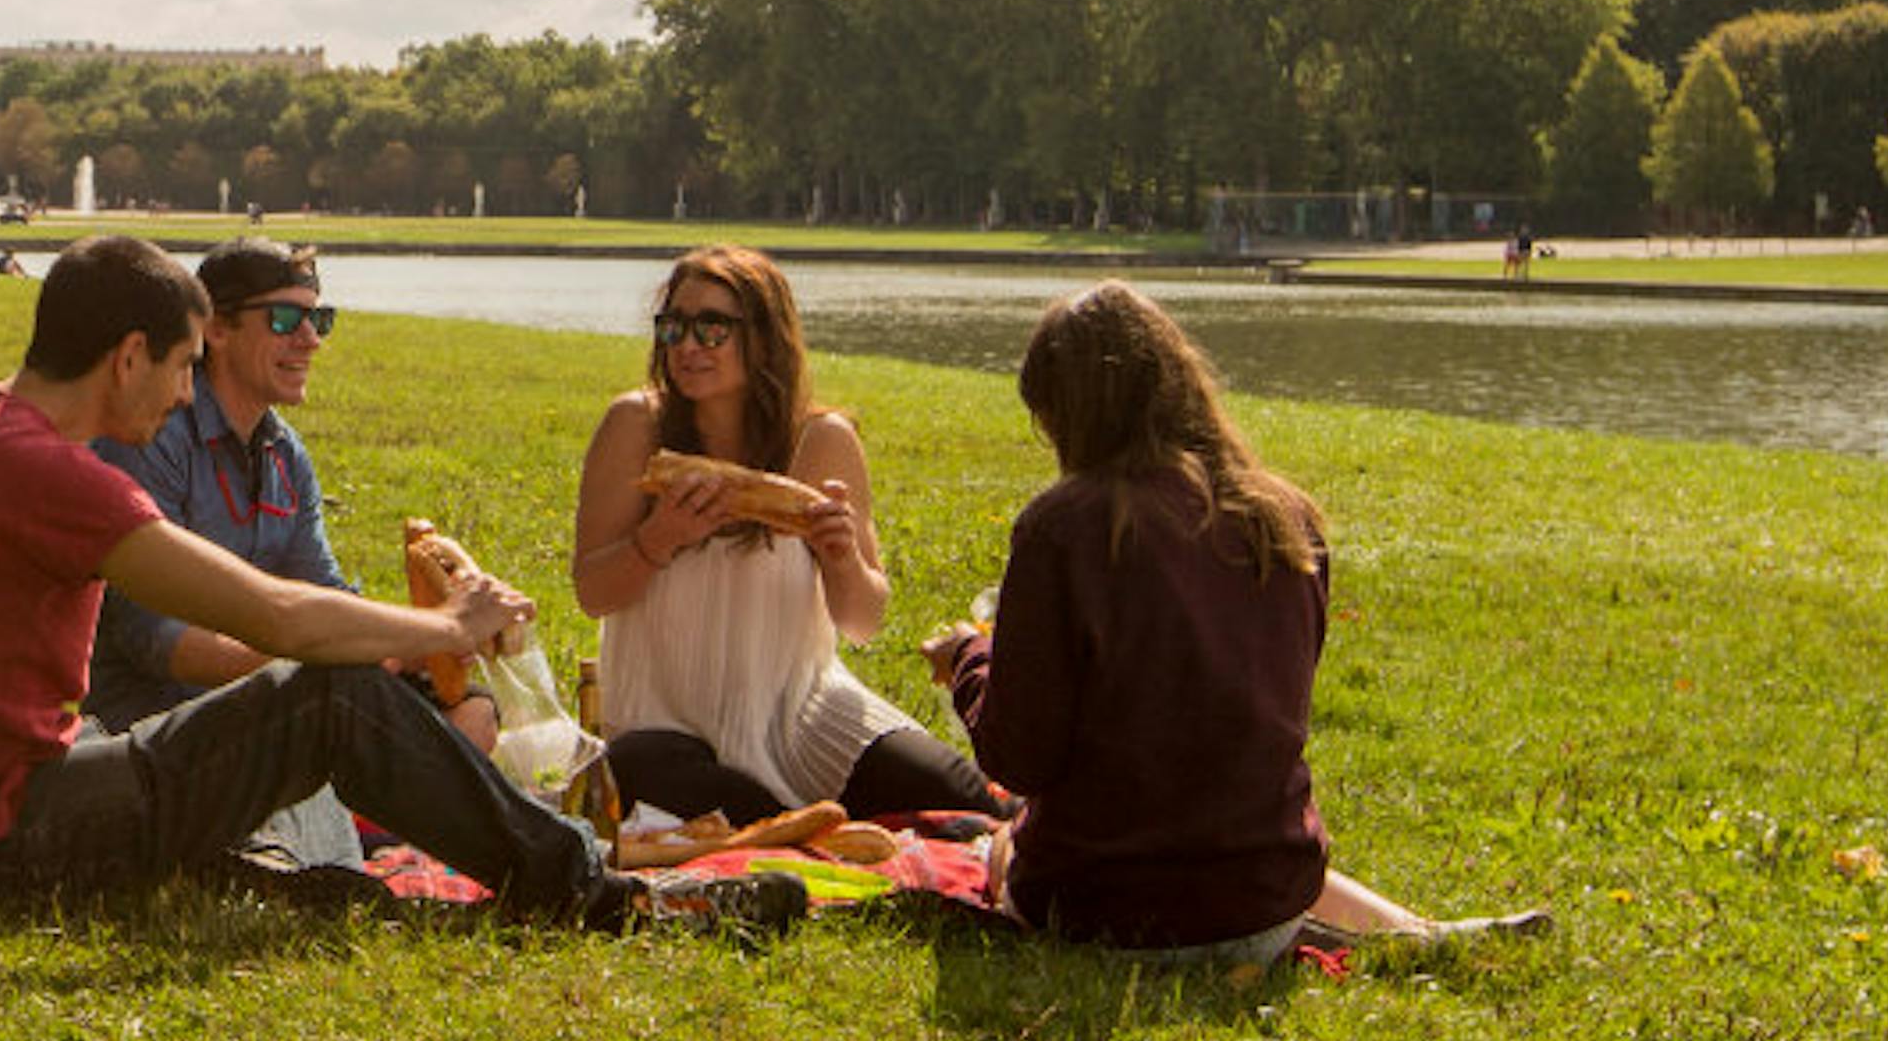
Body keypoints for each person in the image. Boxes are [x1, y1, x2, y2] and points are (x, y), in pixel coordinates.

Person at [0, 235, 648, 923]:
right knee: (331, 696)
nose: (185, 393)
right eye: (182, 365)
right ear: (128, 358)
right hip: (13, 837)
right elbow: (276, 619)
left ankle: (295, 877)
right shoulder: (58, 476)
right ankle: (581, 887)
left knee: (263, 776)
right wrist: (451, 626)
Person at [920, 280, 1541, 959]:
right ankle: (1414, 936)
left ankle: (1403, 935)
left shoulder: (1063, 528)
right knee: (1212, 842)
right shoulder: (1284, 518)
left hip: (1106, 911)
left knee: (1004, 843)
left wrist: (970, 661)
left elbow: (1020, 757)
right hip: (1266, 898)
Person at [83, 243, 490, 880]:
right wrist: (316, 664)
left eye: (319, 319)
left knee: (474, 711)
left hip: (275, 701)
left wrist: (407, 643)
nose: (310, 339)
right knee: (340, 746)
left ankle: (368, 819)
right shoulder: (154, 437)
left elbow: (325, 589)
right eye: (285, 320)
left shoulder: (283, 454)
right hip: (157, 721)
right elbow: (153, 641)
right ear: (216, 329)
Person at [569, 245, 998, 828]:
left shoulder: (822, 440)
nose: (688, 346)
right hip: (665, 723)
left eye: (712, 328)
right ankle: (796, 827)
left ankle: (799, 822)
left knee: (957, 797)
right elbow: (593, 593)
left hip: (801, 712)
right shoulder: (634, 425)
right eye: (673, 327)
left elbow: (863, 621)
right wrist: (658, 539)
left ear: (766, 337)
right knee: (641, 770)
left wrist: (841, 558)